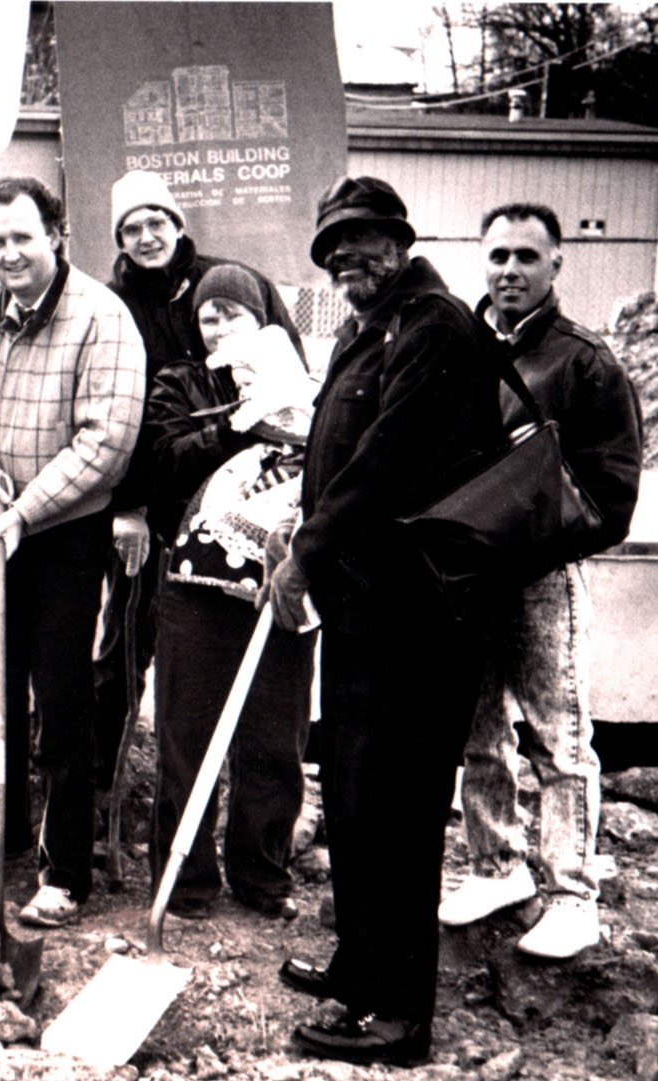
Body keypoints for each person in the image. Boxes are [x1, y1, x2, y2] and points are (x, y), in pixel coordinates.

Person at [272, 177, 504, 1066]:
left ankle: (399, 1014)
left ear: (400, 240)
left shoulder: (435, 327)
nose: (345, 259)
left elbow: (384, 463)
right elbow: (330, 451)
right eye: (332, 248)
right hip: (366, 606)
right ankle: (356, 965)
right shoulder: (367, 325)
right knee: (357, 794)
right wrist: (300, 537)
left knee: (399, 808)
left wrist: (306, 550)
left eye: (362, 241)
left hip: (421, 616)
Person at [0, 176, 144, 928]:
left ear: (57, 233)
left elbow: (106, 440)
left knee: (60, 698)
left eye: (23, 237)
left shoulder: (102, 316)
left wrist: (26, 506)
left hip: (62, 531)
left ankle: (65, 869)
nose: (8, 254)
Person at [437, 203, 642, 959]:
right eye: (497, 256)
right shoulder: (459, 347)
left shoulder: (584, 361)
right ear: (479, 261)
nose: (509, 271)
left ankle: (570, 894)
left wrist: (532, 536)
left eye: (527, 256)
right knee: (477, 729)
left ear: (557, 263)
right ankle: (494, 866)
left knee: (559, 737)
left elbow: (613, 495)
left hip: (538, 577)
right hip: (466, 574)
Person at [96, 171, 303, 791]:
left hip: (245, 507)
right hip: (157, 503)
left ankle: (244, 794)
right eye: (132, 228)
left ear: (178, 224)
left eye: (157, 221)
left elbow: (287, 371)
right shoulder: (116, 302)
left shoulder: (226, 280)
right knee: (125, 645)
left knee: (244, 659)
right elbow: (121, 410)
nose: (147, 236)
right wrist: (127, 505)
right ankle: (105, 782)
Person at [144, 265, 317, 922]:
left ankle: (261, 873)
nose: (218, 326)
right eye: (207, 316)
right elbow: (163, 459)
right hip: (195, 581)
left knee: (274, 736)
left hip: (284, 581)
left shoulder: (308, 389)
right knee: (185, 734)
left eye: (232, 313)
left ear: (264, 319)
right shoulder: (180, 385)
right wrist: (237, 425)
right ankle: (183, 881)